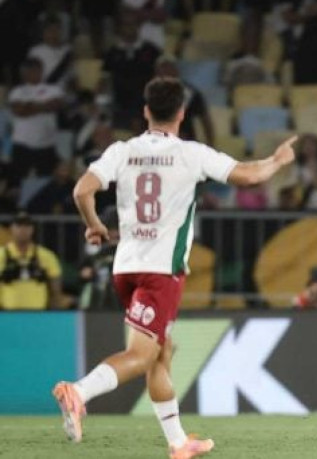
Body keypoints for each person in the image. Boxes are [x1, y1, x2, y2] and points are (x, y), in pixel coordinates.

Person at [52, 76, 297, 458]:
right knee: (142, 356)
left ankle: (179, 444)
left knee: (163, 352)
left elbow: (82, 190)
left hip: (126, 267)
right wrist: (278, 161)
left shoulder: (122, 150)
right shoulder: (191, 154)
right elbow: (250, 176)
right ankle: (78, 392)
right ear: (182, 114)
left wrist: (95, 226)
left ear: (146, 111)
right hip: (161, 270)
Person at [8, 58, 64, 181]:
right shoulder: (17, 91)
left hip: (46, 144)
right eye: (28, 71)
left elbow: (55, 106)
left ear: (40, 71)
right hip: (22, 143)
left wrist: (29, 106)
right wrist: (42, 106)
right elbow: (19, 111)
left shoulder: (53, 89)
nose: (31, 73)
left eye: (35, 70)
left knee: (46, 180)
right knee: (17, 180)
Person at [0, 212, 63, 310]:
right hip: (6, 315)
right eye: (19, 226)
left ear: (32, 229)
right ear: (11, 228)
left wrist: (53, 316)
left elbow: (55, 291)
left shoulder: (46, 256)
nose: (23, 230)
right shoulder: (1, 256)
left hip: (38, 315)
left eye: (27, 226)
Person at [78, 207, 121, 310]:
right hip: (99, 293)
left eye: (116, 229)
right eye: (110, 229)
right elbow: (82, 272)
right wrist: (85, 272)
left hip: (122, 293)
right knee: (90, 290)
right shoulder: (96, 247)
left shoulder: (129, 248)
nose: (113, 233)